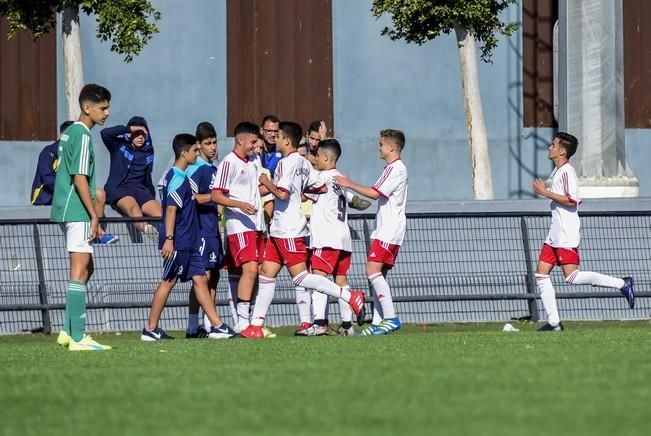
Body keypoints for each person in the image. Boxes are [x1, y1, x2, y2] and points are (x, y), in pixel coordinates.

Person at [244, 121, 365, 339]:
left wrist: (265, 181)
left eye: (278, 136)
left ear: (287, 140)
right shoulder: (303, 162)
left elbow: (281, 194)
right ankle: (256, 325)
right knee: (266, 275)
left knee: (301, 278)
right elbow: (320, 186)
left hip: (289, 229)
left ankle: (349, 297)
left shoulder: (286, 163)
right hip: (279, 229)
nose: (275, 139)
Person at [531, 132, 635, 331]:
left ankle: (622, 284)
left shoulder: (567, 172)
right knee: (541, 275)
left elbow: (572, 200)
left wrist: (545, 193)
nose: (549, 147)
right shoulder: (557, 171)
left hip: (565, 234)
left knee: (572, 277)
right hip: (555, 234)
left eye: (553, 145)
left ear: (562, 151)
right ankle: (554, 323)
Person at [141, 134, 236, 341]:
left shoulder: (180, 176)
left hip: (190, 241)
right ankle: (150, 328)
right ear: (184, 152)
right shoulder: (176, 177)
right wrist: (169, 238)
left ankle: (217, 326)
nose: (197, 153)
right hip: (179, 241)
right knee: (168, 281)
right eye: (194, 150)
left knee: (200, 279)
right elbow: (172, 210)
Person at [51, 84, 114, 351]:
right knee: (79, 270)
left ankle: (67, 331)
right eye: (103, 108)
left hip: (70, 209)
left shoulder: (71, 132)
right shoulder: (84, 135)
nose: (107, 113)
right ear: (87, 108)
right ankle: (78, 337)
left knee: (88, 269)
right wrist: (94, 215)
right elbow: (79, 178)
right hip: (77, 210)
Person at [334, 129, 408, 336]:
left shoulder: (397, 169)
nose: (379, 147)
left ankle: (391, 318)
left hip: (389, 230)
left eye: (381, 144)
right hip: (384, 229)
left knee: (372, 271)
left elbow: (374, 194)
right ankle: (378, 321)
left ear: (392, 147)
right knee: (378, 274)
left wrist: (349, 184)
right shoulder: (390, 169)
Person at [211, 122, 267, 334]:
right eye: (252, 142)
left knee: (251, 271)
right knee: (250, 269)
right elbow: (217, 194)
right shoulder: (229, 162)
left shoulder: (255, 160)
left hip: (257, 224)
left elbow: (256, 189)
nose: (255, 146)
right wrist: (240, 204)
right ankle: (244, 322)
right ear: (240, 140)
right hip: (239, 225)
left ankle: (245, 319)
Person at [300, 139, 358, 336]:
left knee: (318, 277)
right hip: (344, 237)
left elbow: (302, 193)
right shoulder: (341, 178)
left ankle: (320, 323)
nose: (315, 159)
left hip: (326, 237)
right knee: (341, 280)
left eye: (317, 156)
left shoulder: (322, 177)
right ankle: (347, 326)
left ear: (325, 157)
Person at [32, 120, 117, 244]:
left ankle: (96, 232)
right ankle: (98, 234)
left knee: (99, 194)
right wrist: (73, 188)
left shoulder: (77, 150)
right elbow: (47, 180)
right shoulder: (48, 152)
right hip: (47, 195)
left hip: (69, 190)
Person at [184, 122, 224, 338]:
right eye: (208, 143)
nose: (213, 147)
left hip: (213, 228)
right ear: (198, 145)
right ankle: (192, 326)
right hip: (200, 230)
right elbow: (191, 198)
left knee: (214, 276)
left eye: (215, 142)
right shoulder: (196, 169)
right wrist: (216, 197)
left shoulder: (213, 169)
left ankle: (210, 325)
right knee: (202, 276)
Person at [101, 116, 160, 241]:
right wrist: (129, 128)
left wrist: (150, 195)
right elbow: (105, 133)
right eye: (137, 133)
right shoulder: (118, 145)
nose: (140, 137)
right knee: (134, 208)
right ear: (129, 133)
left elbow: (147, 176)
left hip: (140, 190)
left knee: (160, 213)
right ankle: (147, 230)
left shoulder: (148, 151)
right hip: (120, 189)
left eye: (143, 134)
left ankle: (170, 236)